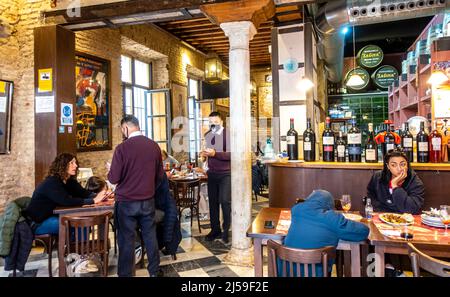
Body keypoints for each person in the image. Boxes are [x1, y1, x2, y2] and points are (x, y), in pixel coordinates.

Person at [107, 115, 164, 277]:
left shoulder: (122, 149)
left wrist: (110, 170)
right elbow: (159, 176)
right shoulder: (153, 146)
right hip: (147, 200)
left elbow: (113, 178)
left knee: (126, 240)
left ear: (125, 127)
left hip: (126, 203)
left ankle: (126, 274)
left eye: (121, 129)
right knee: (150, 236)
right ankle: (154, 271)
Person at [284, 189, 369, 276]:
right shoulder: (333, 218)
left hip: (285, 272)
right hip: (316, 273)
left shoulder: (296, 210)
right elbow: (363, 231)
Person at [22, 153, 107, 235]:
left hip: (50, 217)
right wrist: (93, 201)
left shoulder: (69, 181)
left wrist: (103, 196)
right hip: (37, 223)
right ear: (62, 165)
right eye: (71, 163)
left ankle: (77, 247)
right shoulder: (52, 182)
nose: (76, 165)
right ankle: (77, 248)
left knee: (82, 222)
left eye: (75, 162)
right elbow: (66, 201)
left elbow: (84, 193)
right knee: (80, 224)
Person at [200, 111, 231, 244]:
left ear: (222, 122)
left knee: (224, 201)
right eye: (210, 122)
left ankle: (226, 230)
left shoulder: (228, 135)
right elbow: (206, 153)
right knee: (212, 203)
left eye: (216, 122)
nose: (213, 125)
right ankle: (215, 229)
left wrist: (215, 154)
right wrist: (204, 155)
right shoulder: (207, 135)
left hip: (226, 173)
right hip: (212, 173)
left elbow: (231, 155)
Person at [367, 149, 425, 215]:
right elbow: (371, 195)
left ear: (407, 165)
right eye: (393, 165)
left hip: (405, 218)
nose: (399, 169)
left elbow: (411, 208)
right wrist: (380, 211)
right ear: (388, 166)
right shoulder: (378, 177)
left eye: (403, 164)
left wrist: (395, 186)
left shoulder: (415, 182)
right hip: (381, 215)